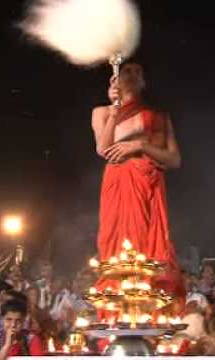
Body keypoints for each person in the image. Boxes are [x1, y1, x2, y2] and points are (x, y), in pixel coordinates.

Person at [91, 62, 183, 298]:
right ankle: (117, 304)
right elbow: (103, 148)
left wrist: (140, 145)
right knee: (116, 242)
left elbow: (174, 159)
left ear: (144, 81)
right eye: (127, 71)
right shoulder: (101, 112)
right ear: (115, 80)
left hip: (148, 182)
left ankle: (148, 303)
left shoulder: (158, 116)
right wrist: (115, 109)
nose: (132, 75)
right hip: (119, 182)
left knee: (147, 242)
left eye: (138, 71)